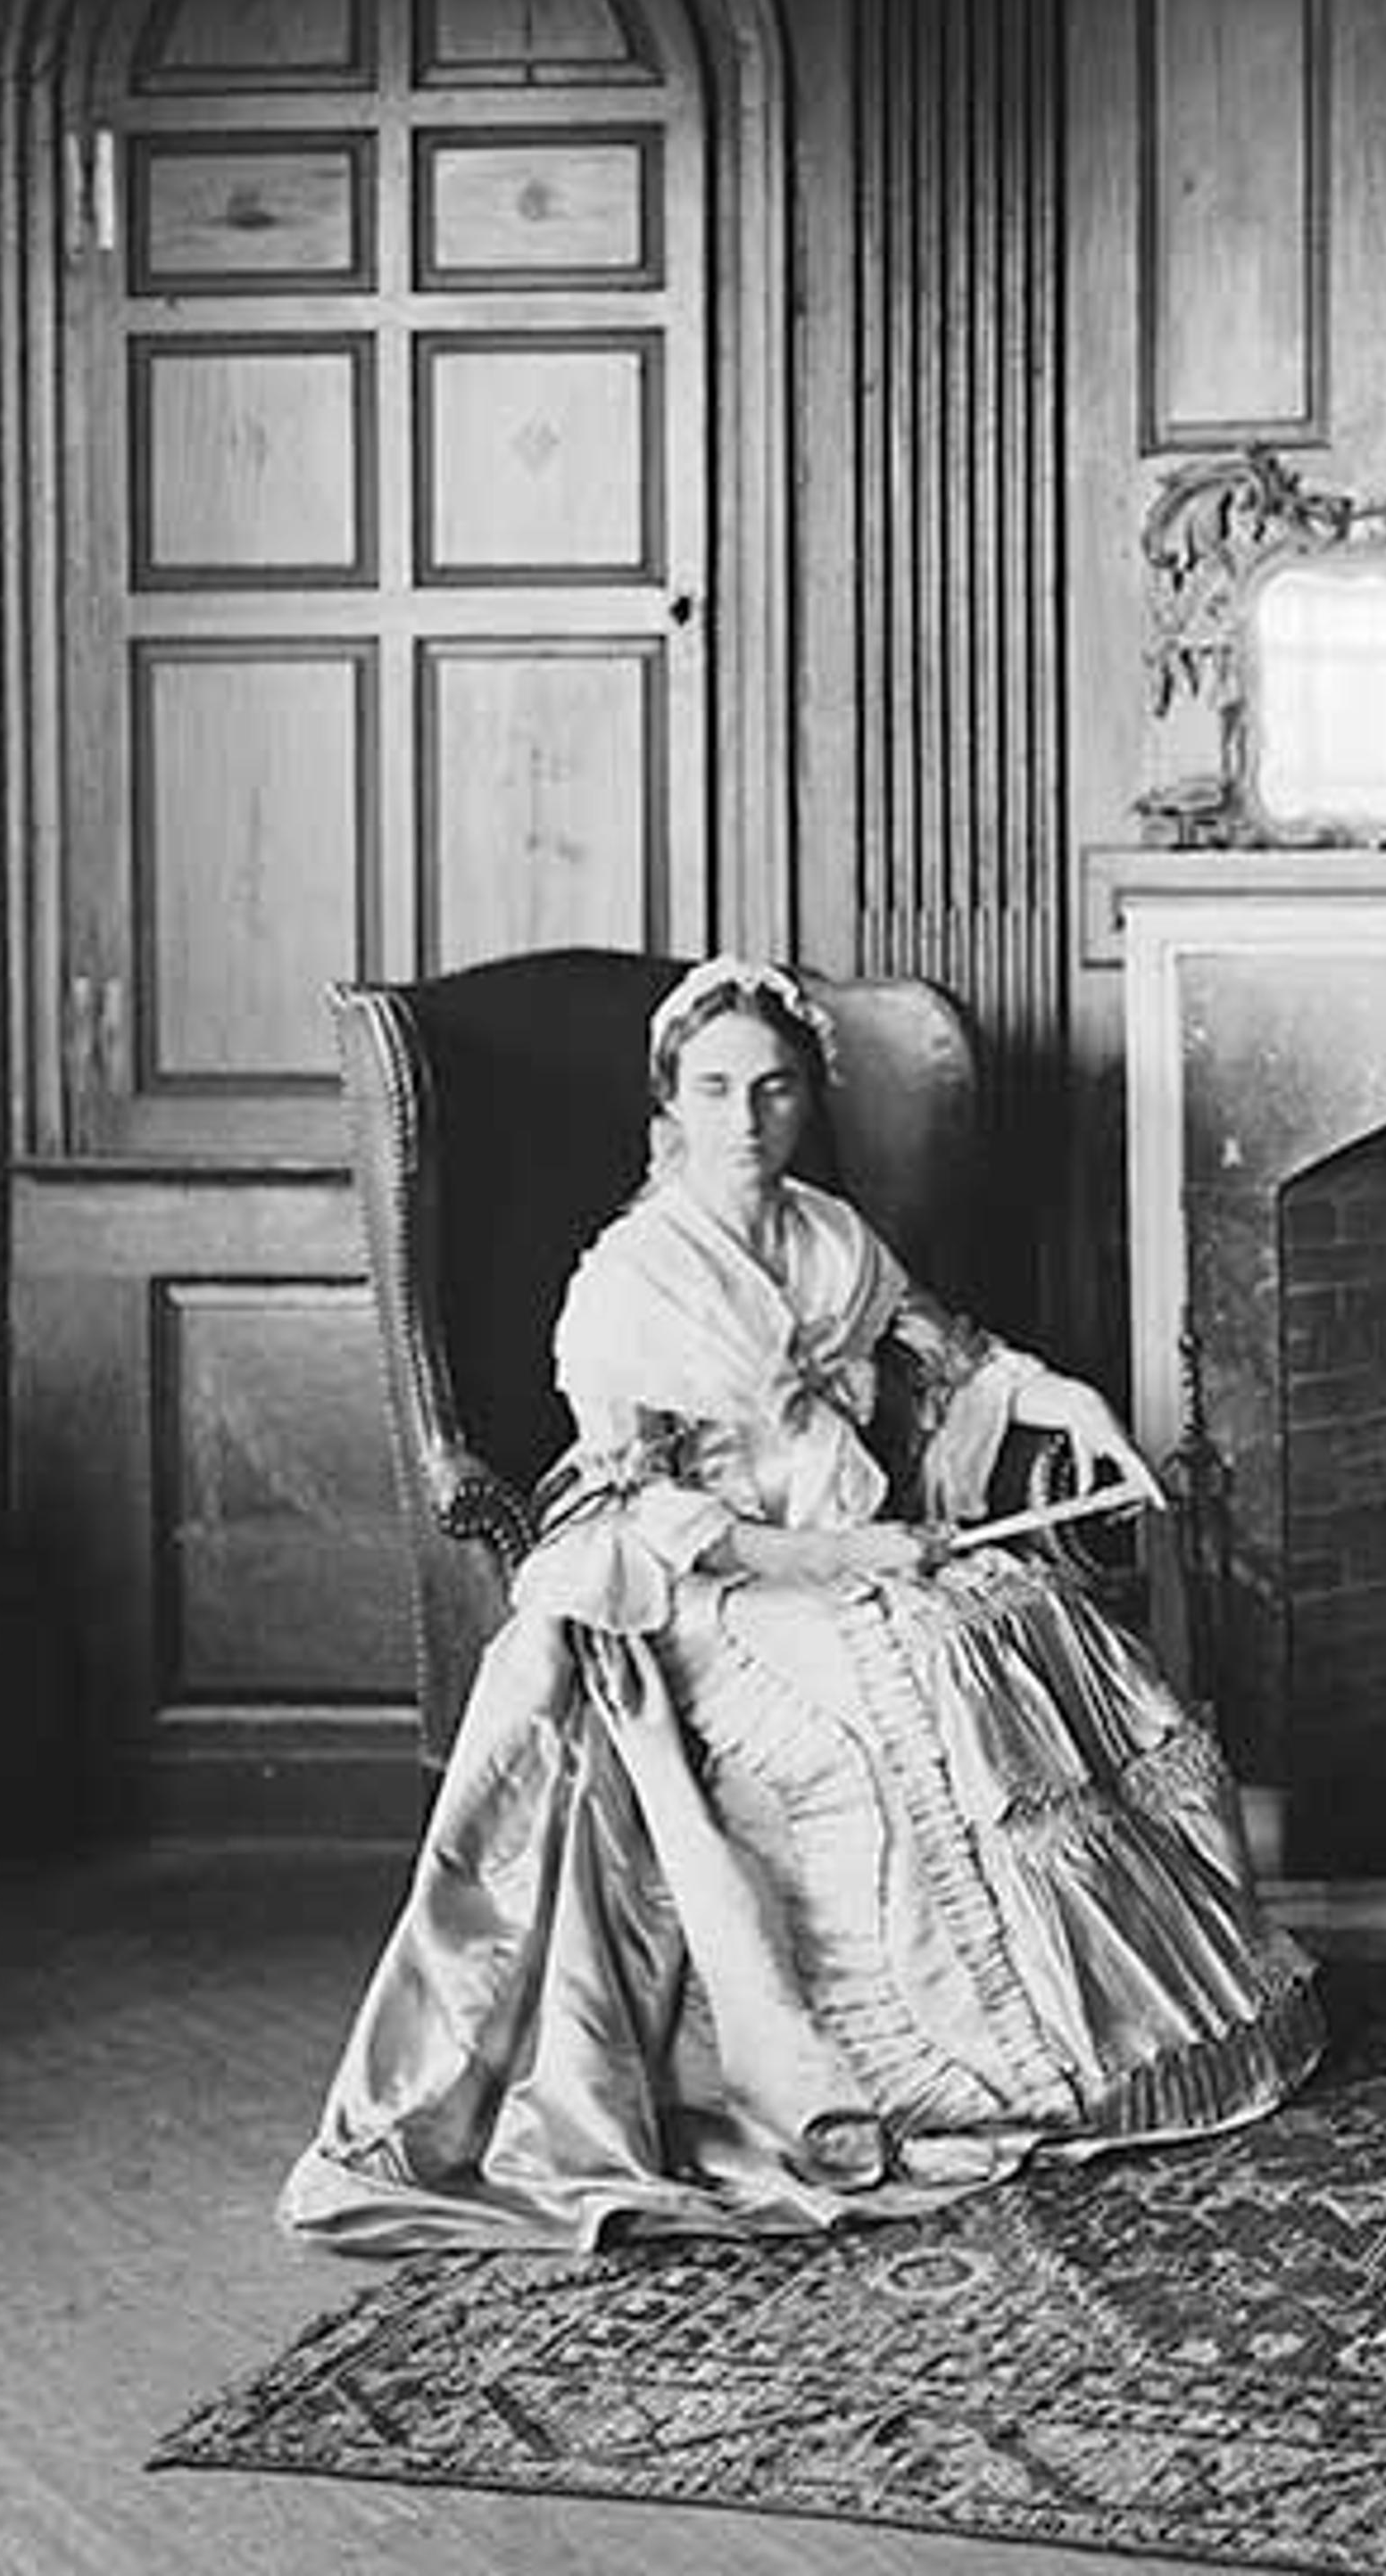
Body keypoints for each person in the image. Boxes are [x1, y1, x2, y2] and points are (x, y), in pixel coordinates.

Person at [280, 955, 1321, 2254]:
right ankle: (928, 2071)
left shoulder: (830, 1236)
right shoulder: (633, 1279)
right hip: (709, 1590)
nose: (746, 1119)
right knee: (916, 1682)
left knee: (1026, 1624)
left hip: (855, 1549)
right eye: (714, 1090)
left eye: (773, 1090)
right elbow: (632, 1508)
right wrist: (828, 1563)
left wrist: (1069, 1401)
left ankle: (1109, 2036)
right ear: (667, 1113)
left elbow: (945, 1346)